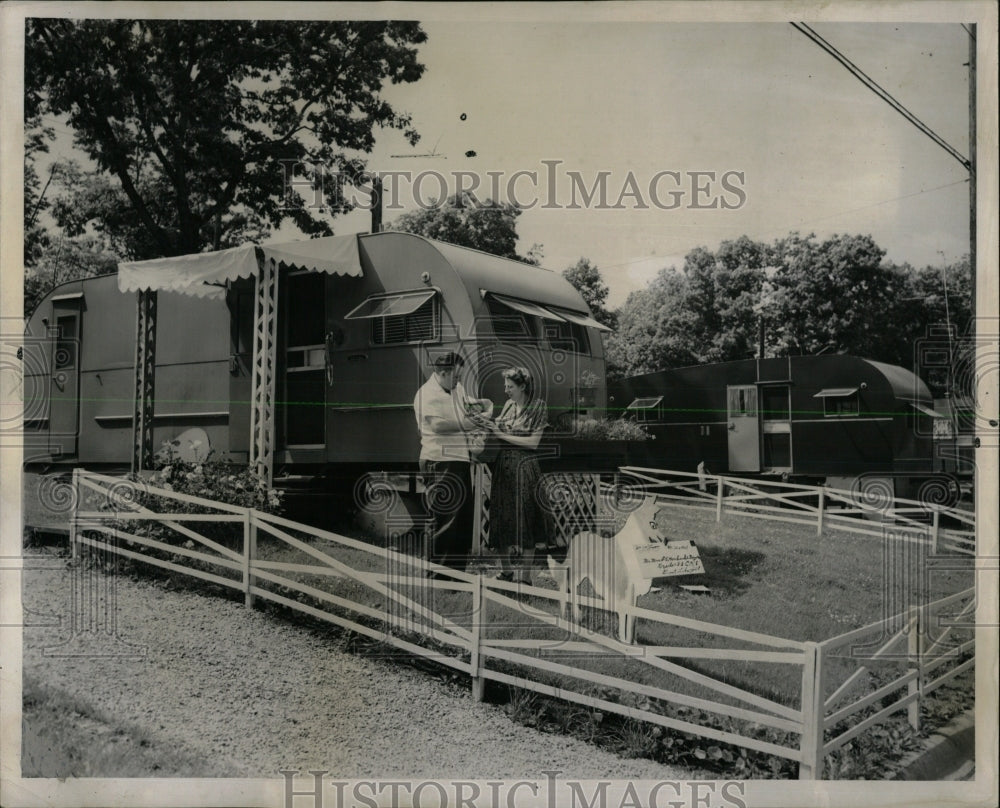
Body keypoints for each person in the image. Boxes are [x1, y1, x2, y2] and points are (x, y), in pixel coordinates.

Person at [470, 366, 550, 584]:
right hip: (503, 468)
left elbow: (533, 443)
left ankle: (525, 578)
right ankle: (506, 571)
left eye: (510, 386)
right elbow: (497, 428)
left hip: (525, 469)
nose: (506, 390)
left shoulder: (538, 407)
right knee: (500, 517)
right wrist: (486, 423)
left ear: (523, 386)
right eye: (505, 386)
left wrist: (499, 433)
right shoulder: (507, 406)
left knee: (525, 521)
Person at [412, 352, 481, 574]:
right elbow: (438, 426)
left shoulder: (456, 389)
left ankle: (457, 574)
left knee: (461, 520)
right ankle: (437, 575)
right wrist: (469, 425)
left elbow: (465, 404)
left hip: (459, 459)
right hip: (439, 461)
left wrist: (480, 405)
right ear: (442, 373)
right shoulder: (426, 394)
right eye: (456, 377)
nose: (459, 381)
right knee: (443, 519)